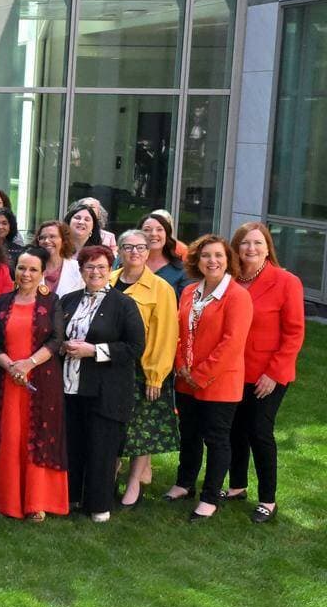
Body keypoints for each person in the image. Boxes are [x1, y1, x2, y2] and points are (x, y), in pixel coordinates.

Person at [162, 235, 253, 522]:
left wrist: (199, 375)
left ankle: (210, 497)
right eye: (205, 256)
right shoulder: (189, 291)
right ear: (196, 261)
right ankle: (184, 482)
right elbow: (178, 331)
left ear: (228, 261)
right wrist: (180, 366)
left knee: (216, 439)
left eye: (218, 256)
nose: (212, 261)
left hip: (219, 383)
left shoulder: (238, 296)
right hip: (185, 379)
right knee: (188, 433)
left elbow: (232, 343)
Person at [0, 247, 68, 522]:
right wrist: (11, 366)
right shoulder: (3, 301)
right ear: (13, 270)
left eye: (32, 269)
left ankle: (36, 501)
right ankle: (2, 497)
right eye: (21, 268)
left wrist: (28, 364)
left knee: (38, 438)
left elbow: (56, 340)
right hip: (5, 382)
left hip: (40, 381)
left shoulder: (53, 302)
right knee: (8, 436)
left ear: (43, 274)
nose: (26, 274)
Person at [57, 245, 145, 523]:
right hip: (70, 388)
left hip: (106, 390)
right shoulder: (68, 301)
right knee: (73, 445)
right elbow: (54, 335)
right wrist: (62, 346)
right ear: (81, 271)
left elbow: (134, 347)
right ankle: (70, 498)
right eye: (89, 267)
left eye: (101, 267)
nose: (95, 272)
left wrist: (93, 351)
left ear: (110, 270)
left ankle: (99, 505)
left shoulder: (124, 304)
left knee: (101, 448)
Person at [226, 223, 305, 524]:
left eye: (258, 243)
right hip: (233, 370)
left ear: (268, 246)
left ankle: (268, 500)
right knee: (234, 430)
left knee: (259, 431)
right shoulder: (230, 279)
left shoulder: (286, 282)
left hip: (268, 374)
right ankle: (236, 486)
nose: (251, 249)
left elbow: (294, 333)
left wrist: (274, 373)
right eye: (245, 243)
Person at [111, 229, 180, 508]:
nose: (134, 253)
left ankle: (134, 482)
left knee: (142, 430)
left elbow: (165, 333)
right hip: (112, 365)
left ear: (148, 251)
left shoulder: (160, 288)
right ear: (119, 251)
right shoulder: (109, 279)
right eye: (128, 247)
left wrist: (156, 375)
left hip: (144, 369)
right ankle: (110, 472)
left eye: (140, 247)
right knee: (114, 425)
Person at [140, 212, 189, 296]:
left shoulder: (181, 270)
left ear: (167, 234)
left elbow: (185, 304)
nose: (153, 234)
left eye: (159, 229)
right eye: (147, 230)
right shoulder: (124, 263)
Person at [34, 220, 82, 297]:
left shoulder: (77, 268)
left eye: (52, 236)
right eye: (42, 237)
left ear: (64, 240)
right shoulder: (31, 266)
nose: (46, 241)